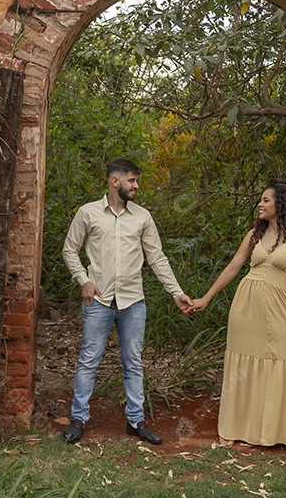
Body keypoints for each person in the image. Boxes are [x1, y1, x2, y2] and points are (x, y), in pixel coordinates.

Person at [60, 158, 193, 445]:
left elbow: (157, 258)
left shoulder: (142, 217)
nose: (136, 186)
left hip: (133, 301)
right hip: (99, 300)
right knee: (88, 360)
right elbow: (69, 249)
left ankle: (135, 421)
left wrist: (176, 292)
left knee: (133, 362)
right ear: (114, 181)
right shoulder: (88, 213)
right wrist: (83, 279)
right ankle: (78, 419)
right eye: (132, 180)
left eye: (136, 181)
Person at [187, 184, 286, 449]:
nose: (260, 204)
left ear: (280, 205)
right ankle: (235, 428)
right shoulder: (253, 235)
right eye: (260, 200)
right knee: (244, 365)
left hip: (280, 304)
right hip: (247, 305)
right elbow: (234, 266)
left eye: (265, 200)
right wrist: (206, 298)